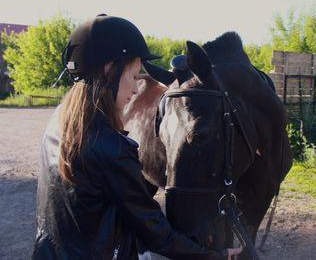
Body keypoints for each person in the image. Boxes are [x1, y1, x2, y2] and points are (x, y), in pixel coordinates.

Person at [32, 14, 242, 260]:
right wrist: (214, 255)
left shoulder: (58, 124)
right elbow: (156, 234)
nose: (135, 88)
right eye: (133, 76)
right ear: (110, 69)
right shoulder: (111, 148)